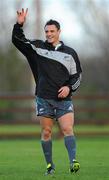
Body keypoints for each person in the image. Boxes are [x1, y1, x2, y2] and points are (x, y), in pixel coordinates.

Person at [12, 8, 82, 175]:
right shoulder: (37, 48)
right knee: (46, 132)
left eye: (52, 31)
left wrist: (69, 88)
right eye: (46, 31)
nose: (49, 34)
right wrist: (19, 25)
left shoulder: (70, 53)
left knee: (67, 130)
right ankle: (50, 166)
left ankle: (73, 162)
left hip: (64, 100)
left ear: (59, 31)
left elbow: (78, 76)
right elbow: (17, 40)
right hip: (44, 98)